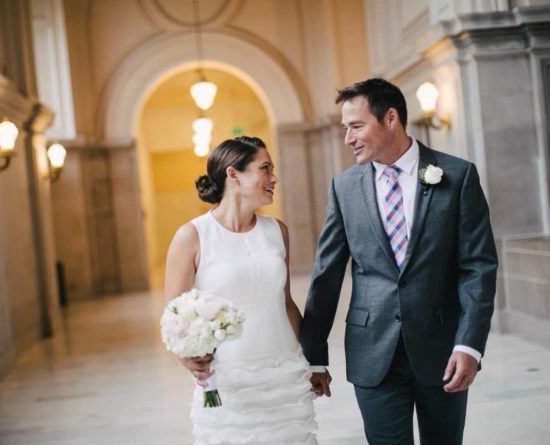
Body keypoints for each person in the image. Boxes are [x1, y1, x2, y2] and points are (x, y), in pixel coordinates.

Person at [300, 78, 498, 444]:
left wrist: (469, 344)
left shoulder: (457, 175)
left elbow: (478, 267)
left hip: (443, 350)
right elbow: (326, 275)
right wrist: (314, 355)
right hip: (372, 351)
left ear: (390, 118)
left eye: (356, 126)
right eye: (345, 128)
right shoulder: (343, 188)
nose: (348, 138)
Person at [164, 136, 317, 444]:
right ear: (233, 175)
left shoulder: (277, 231)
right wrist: (190, 360)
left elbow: (286, 303)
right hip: (228, 379)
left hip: (284, 373)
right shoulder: (192, 236)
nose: (274, 178)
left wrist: (311, 361)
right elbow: (172, 317)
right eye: (265, 168)